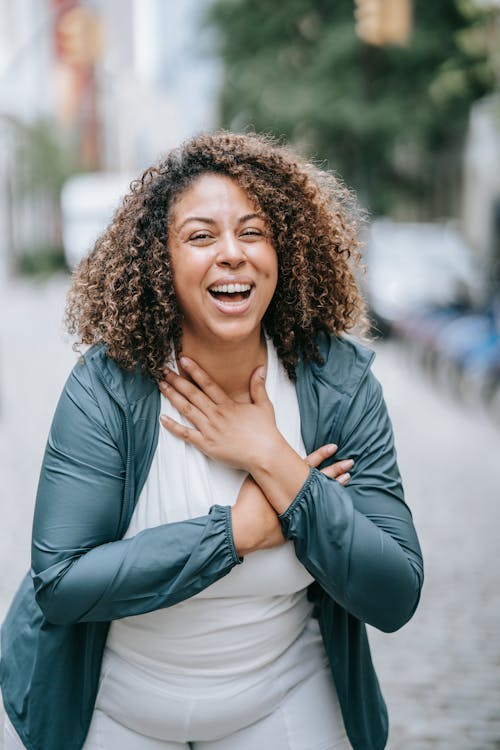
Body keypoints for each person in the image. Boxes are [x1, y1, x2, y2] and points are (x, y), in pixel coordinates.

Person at [0, 131, 423, 750]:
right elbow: (62, 584)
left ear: (285, 248)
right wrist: (235, 532)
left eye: (253, 232)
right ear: (160, 261)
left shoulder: (337, 383)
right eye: (201, 236)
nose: (232, 253)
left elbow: (395, 592)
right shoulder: (108, 387)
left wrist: (273, 459)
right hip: (115, 698)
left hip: (283, 687)